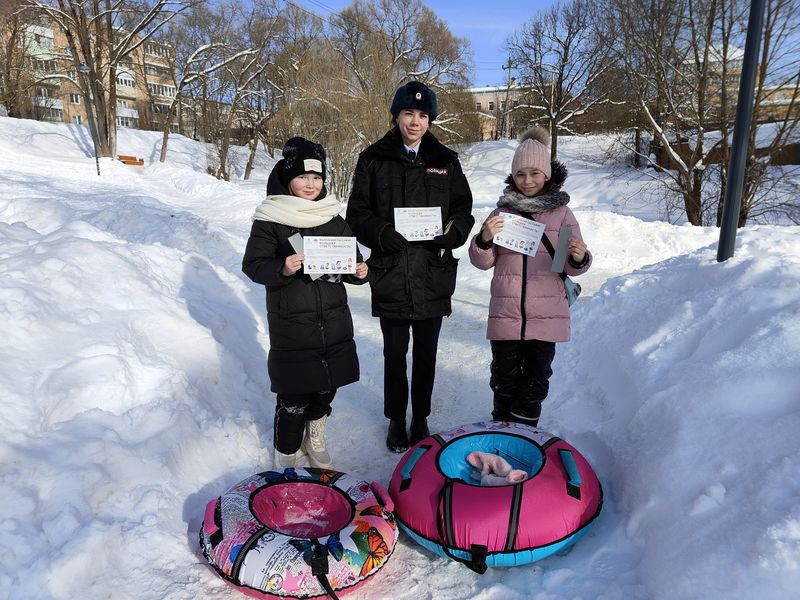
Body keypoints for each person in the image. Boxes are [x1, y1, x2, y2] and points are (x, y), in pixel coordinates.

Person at [346, 81, 475, 453]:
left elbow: (462, 210)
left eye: (422, 115)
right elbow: (357, 213)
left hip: (432, 273)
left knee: (426, 354)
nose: (415, 121)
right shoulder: (373, 158)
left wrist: (453, 234)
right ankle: (394, 419)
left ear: (430, 120)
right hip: (390, 273)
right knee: (394, 353)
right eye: (408, 113)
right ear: (396, 116)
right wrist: (381, 233)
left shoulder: (446, 161)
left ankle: (420, 418)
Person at [242, 137, 369, 469]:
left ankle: (315, 434)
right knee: (294, 394)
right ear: (288, 179)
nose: (310, 184)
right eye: (302, 177)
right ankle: (285, 448)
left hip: (334, 320)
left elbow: (352, 261)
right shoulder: (271, 218)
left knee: (326, 388)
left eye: (316, 177)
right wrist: (282, 268)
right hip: (292, 324)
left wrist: (360, 270)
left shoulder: (333, 217)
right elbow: (253, 265)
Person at [468, 126, 591, 427]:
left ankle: (524, 434)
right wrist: (484, 239)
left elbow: (570, 266)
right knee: (503, 379)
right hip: (506, 316)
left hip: (546, 317)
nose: (527, 180)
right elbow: (481, 261)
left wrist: (578, 256)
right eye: (521, 174)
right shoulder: (501, 213)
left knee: (535, 381)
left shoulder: (562, 214)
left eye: (535, 173)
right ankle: (500, 428)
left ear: (547, 174)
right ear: (513, 176)